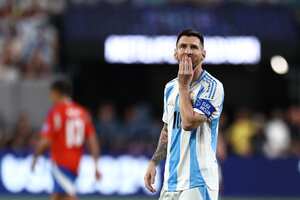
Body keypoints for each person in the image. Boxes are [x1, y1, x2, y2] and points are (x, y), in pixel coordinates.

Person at [144, 29, 224, 200]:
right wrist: (153, 161)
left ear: (203, 54)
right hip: (170, 181)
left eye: (194, 47)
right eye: (183, 46)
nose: (187, 51)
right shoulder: (170, 88)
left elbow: (188, 123)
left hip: (198, 180)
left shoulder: (212, 87)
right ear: (175, 53)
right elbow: (167, 130)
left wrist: (183, 85)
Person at [31, 78, 101, 200]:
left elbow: (46, 141)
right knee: (58, 196)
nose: (51, 97)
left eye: (51, 94)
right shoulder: (82, 112)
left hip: (60, 163)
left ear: (56, 93)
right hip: (75, 163)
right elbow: (92, 141)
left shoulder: (56, 112)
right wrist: (96, 165)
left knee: (68, 196)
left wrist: (35, 157)